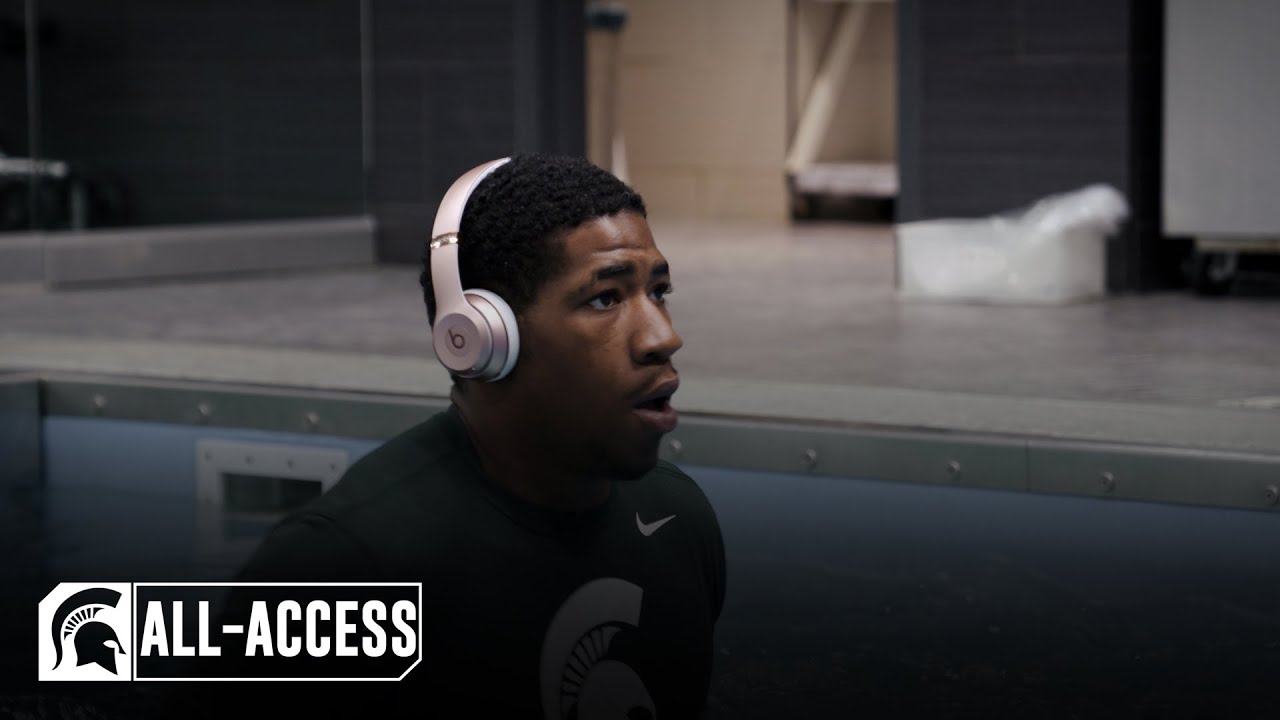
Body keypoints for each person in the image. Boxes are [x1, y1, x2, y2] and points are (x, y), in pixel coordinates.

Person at [206, 154, 726, 719]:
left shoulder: (679, 518)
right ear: (479, 338)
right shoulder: (341, 568)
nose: (663, 337)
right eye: (605, 298)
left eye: (659, 291)